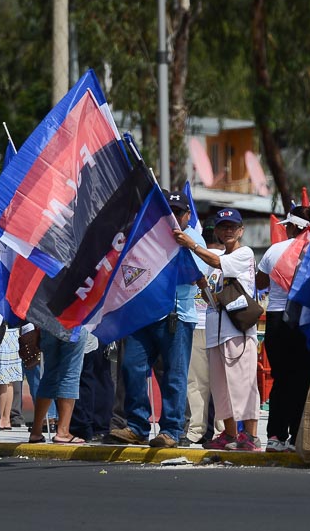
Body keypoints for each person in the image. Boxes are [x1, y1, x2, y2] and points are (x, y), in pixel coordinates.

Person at [109, 190, 207, 448]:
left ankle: (172, 430)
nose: (172, 217)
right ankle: (137, 425)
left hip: (177, 317)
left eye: (178, 212)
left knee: (174, 376)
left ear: (187, 215)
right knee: (131, 367)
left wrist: (187, 245)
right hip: (143, 314)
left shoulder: (194, 238)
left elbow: (200, 275)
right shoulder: (148, 236)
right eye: (168, 211)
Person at [173, 208, 261, 451]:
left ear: (241, 230)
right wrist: (202, 285)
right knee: (221, 387)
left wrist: (192, 244)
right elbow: (213, 297)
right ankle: (230, 434)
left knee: (243, 384)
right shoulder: (217, 256)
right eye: (223, 227)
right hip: (216, 331)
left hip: (238, 331)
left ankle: (250, 436)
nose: (228, 231)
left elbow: (216, 262)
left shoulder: (244, 253)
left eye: (233, 226)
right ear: (218, 232)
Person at [256, 204, 310, 452]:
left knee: (281, 378)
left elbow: (261, 282)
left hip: (275, 320)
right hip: (305, 319)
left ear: (292, 226)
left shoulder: (274, 250)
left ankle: (275, 435)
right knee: (303, 378)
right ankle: (297, 435)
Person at [183, 220, 224, 446]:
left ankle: (204, 430)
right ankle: (212, 430)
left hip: (207, 325)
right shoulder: (202, 256)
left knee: (199, 383)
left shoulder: (220, 258)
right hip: (206, 324)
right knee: (211, 382)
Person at [22, 323, 88, 444]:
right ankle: (63, 432)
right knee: (70, 374)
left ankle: (36, 431)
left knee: (49, 375)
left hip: (48, 323)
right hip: (74, 322)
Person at [0, 327, 22, 430]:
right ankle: (6, 419)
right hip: (13, 334)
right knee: (9, 380)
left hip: (3, 334)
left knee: (2, 380)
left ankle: (0, 418)